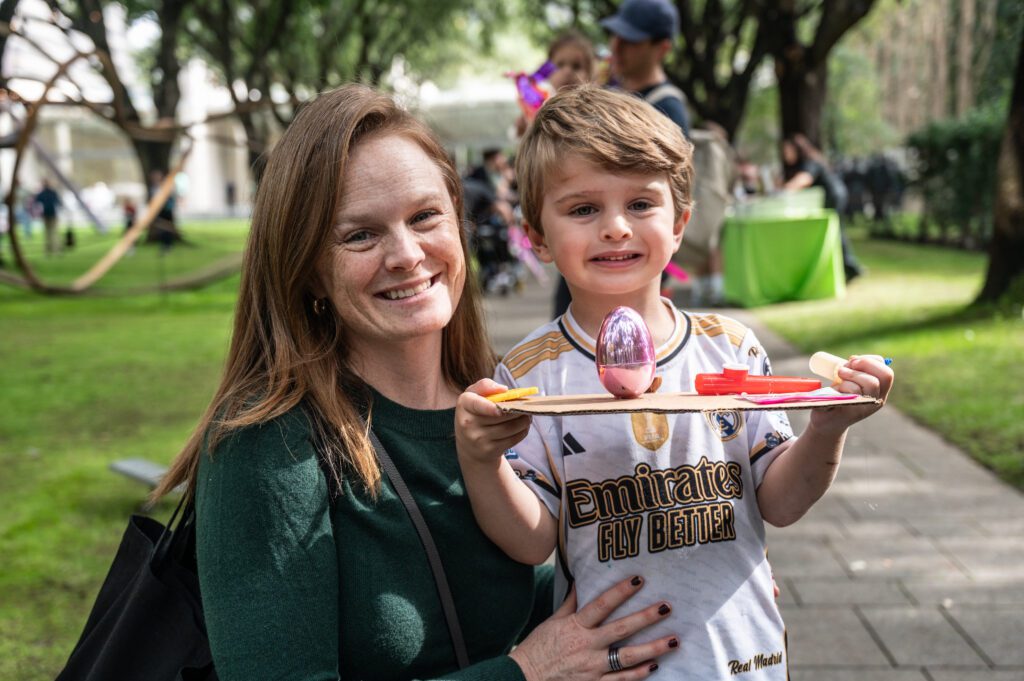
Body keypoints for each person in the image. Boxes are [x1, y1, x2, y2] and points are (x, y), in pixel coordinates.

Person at [151, 84, 677, 681]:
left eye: (425, 217)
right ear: (309, 271)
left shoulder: (506, 398)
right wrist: (525, 672)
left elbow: (548, 609)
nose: (406, 254)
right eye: (360, 234)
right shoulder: (269, 443)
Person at [454, 86, 894, 679]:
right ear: (536, 237)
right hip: (615, 666)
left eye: (641, 204)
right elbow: (531, 542)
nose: (616, 228)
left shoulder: (731, 347)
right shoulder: (530, 373)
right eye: (583, 210)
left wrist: (827, 429)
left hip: (742, 659)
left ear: (680, 222)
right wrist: (482, 462)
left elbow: (782, 502)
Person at [781, 134, 864, 282]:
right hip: (833, 195)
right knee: (836, 230)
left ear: (796, 150)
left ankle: (851, 267)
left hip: (834, 196)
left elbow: (804, 180)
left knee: (836, 230)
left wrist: (784, 189)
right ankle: (850, 267)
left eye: (788, 151)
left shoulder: (810, 162)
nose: (785, 154)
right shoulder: (805, 162)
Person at [601, 0, 690, 137]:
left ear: (662, 49)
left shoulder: (667, 110)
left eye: (630, 40)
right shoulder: (613, 90)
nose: (616, 47)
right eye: (615, 34)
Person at [33, 179, 62, 255]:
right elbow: (58, 202)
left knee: (48, 233)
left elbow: (36, 201)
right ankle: (55, 249)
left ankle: (49, 249)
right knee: (53, 232)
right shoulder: (52, 193)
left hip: (46, 214)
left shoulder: (42, 193)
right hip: (51, 214)